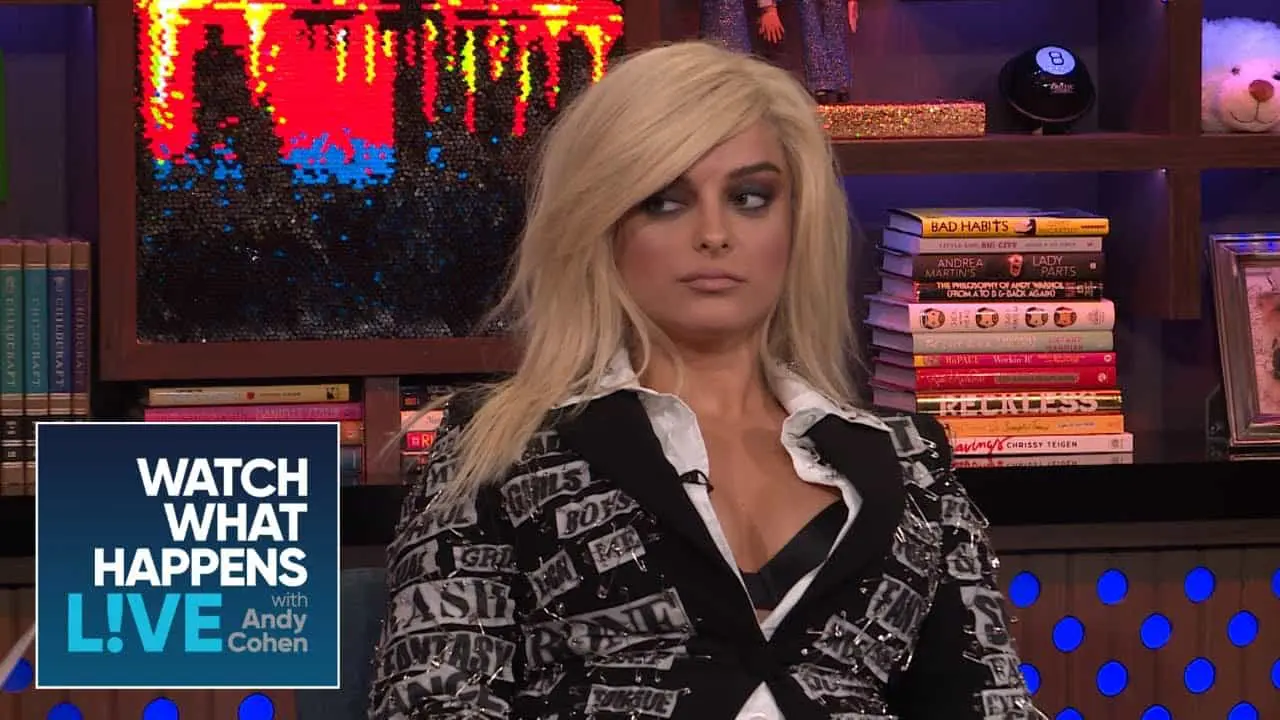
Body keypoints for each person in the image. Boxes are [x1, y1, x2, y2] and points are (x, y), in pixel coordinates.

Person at [367, 40, 1041, 720]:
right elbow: (432, 705)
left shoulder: (911, 460)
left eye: (749, 198)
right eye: (665, 202)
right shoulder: (498, 447)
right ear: (603, 222)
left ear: (796, 222)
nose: (714, 234)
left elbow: (990, 704)